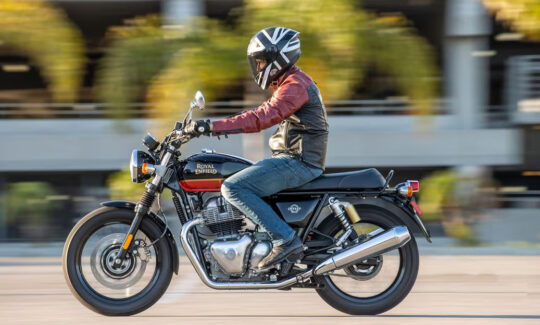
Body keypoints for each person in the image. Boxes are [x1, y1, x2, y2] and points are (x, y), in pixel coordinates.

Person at [187, 27, 329, 269]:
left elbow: (261, 118)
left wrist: (210, 126)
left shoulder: (295, 84)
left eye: (262, 62)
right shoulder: (289, 83)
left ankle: (284, 240)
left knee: (232, 187)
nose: (259, 67)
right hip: (292, 159)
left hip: (298, 162)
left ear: (278, 59)